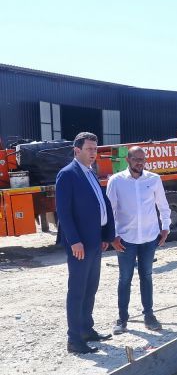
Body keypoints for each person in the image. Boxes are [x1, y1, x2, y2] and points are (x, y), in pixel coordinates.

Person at [55, 132, 116, 354]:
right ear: (76, 150)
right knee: (77, 291)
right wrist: (74, 241)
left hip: (94, 241)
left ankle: (86, 330)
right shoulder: (67, 175)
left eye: (95, 149)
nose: (94, 153)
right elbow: (64, 212)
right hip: (79, 244)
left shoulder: (90, 172)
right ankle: (74, 340)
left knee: (91, 288)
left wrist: (105, 236)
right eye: (89, 149)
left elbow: (101, 204)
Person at [106, 146, 171, 335]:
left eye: (143, 159)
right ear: (128, 160)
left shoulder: (154, 179)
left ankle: (149, 316)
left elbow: (163, 206)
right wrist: (112, 236)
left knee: (147, 276)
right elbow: (110, 211)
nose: (140, 163)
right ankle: (122, 319)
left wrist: (165, 228)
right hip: (125, 240)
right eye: (136, 159)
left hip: (149, 238)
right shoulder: (116, 181)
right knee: (125, 278)